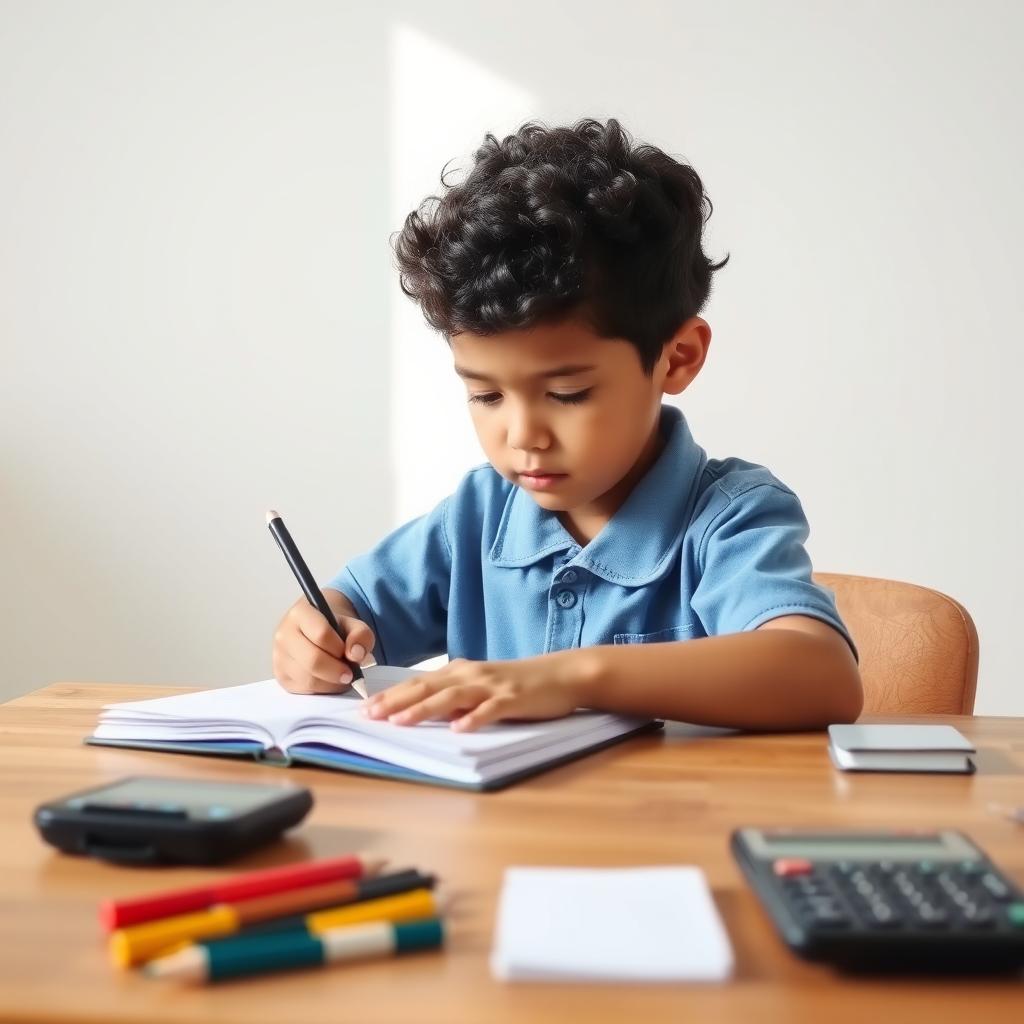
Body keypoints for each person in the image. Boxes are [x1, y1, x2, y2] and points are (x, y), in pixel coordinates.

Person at [272, 118, 862, 733]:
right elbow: (347, 611)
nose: (523, 434)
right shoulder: (479, 515)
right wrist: (315, 638)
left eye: (567, 393)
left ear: (677, 358)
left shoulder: (728, 516)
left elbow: (821, 674)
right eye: (486, 394)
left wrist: (570, 678)